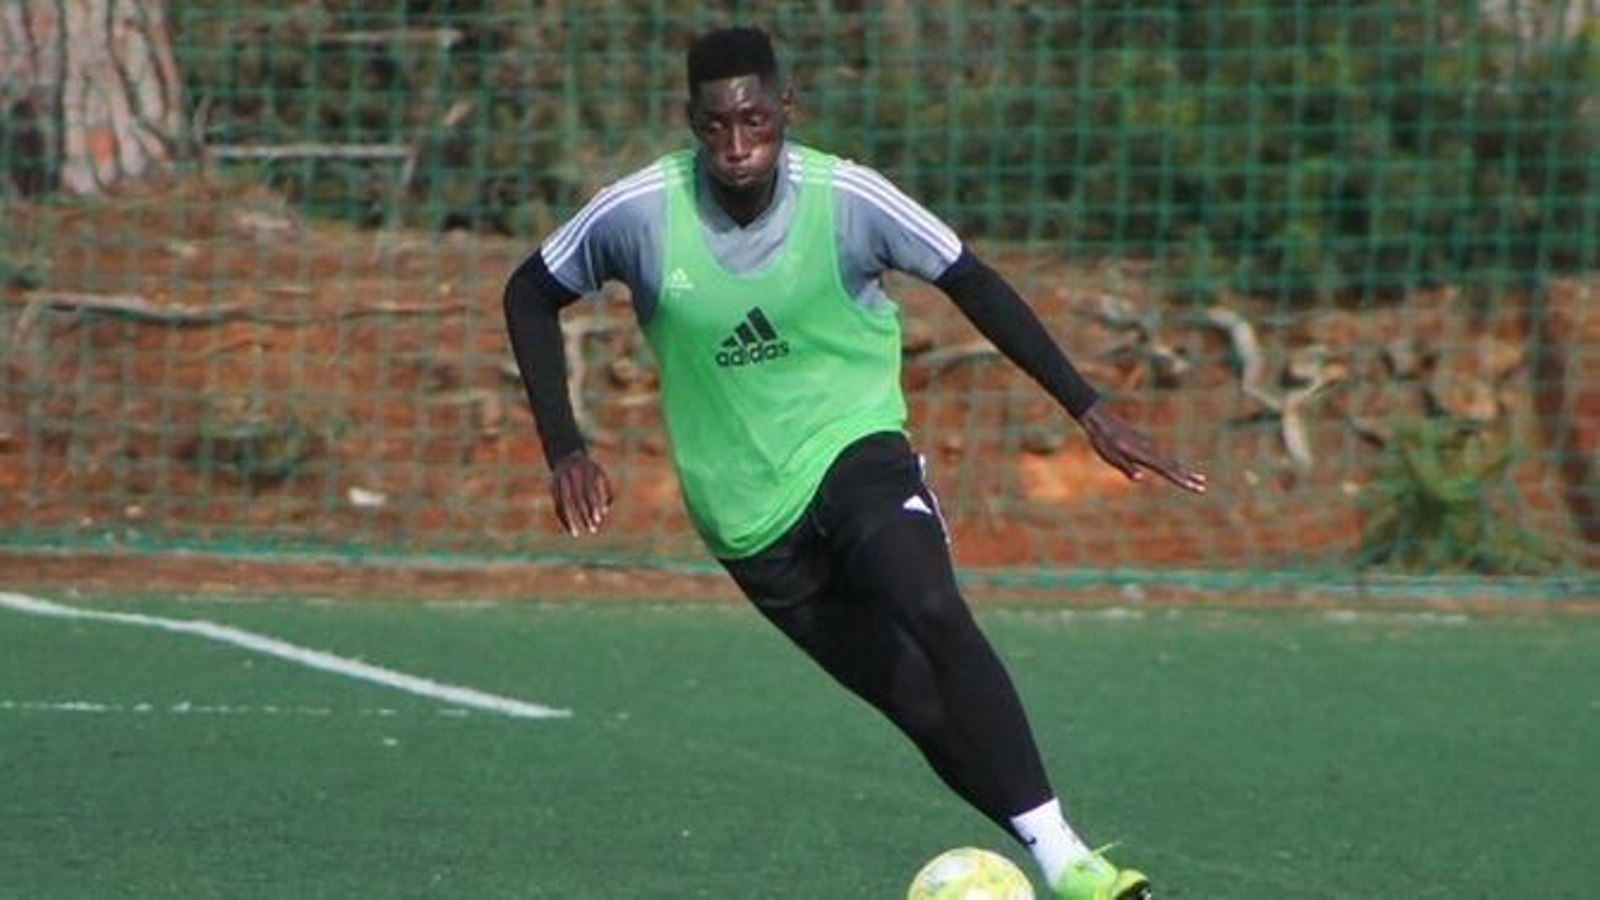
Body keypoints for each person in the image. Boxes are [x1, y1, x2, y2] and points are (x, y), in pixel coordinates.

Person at [504, 26, 1206, 900]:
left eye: (755, 120)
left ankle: (1067, 862)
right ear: (691, 121)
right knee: (913, 701)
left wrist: (1088, 407)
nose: (736, 145)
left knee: (930, 603)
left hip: (854, 448)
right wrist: (563, 446)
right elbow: (528, 291)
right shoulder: (639, 212)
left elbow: (972, 280)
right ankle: (1052, 844)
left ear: (786, 109)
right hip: (745, 517)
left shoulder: (849, 197)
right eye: (715, 126)